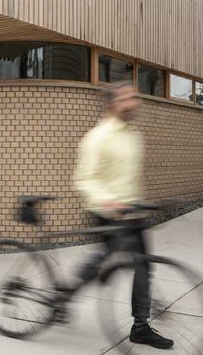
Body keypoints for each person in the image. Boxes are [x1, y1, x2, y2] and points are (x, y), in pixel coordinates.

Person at [72, 83, 174, 350]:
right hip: (107, 214)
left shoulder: (133, 135)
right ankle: (68, 291)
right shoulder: (99, 136)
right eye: (128, 97)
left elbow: (127, 178)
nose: (135, 100)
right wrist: (108, 200)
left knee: (141, 267)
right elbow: (85, 179)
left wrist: (143, 205)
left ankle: (140, 327)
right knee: (114, 265)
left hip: (131, 214)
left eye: (135, 96)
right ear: (113, 103)